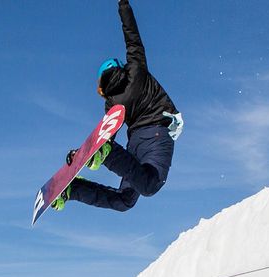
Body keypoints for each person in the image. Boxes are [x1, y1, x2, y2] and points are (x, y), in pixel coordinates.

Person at [51, 0, 183, 212]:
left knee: (125, 200)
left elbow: (105, 135)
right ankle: (108, 155)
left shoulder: (112, 102)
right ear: (119, 67)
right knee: (150, 185)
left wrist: (80, 155)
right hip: (156, 135)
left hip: (135, 144)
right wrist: (124, 6)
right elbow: (132, 37)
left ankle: (74, 190)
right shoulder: (136, 71)